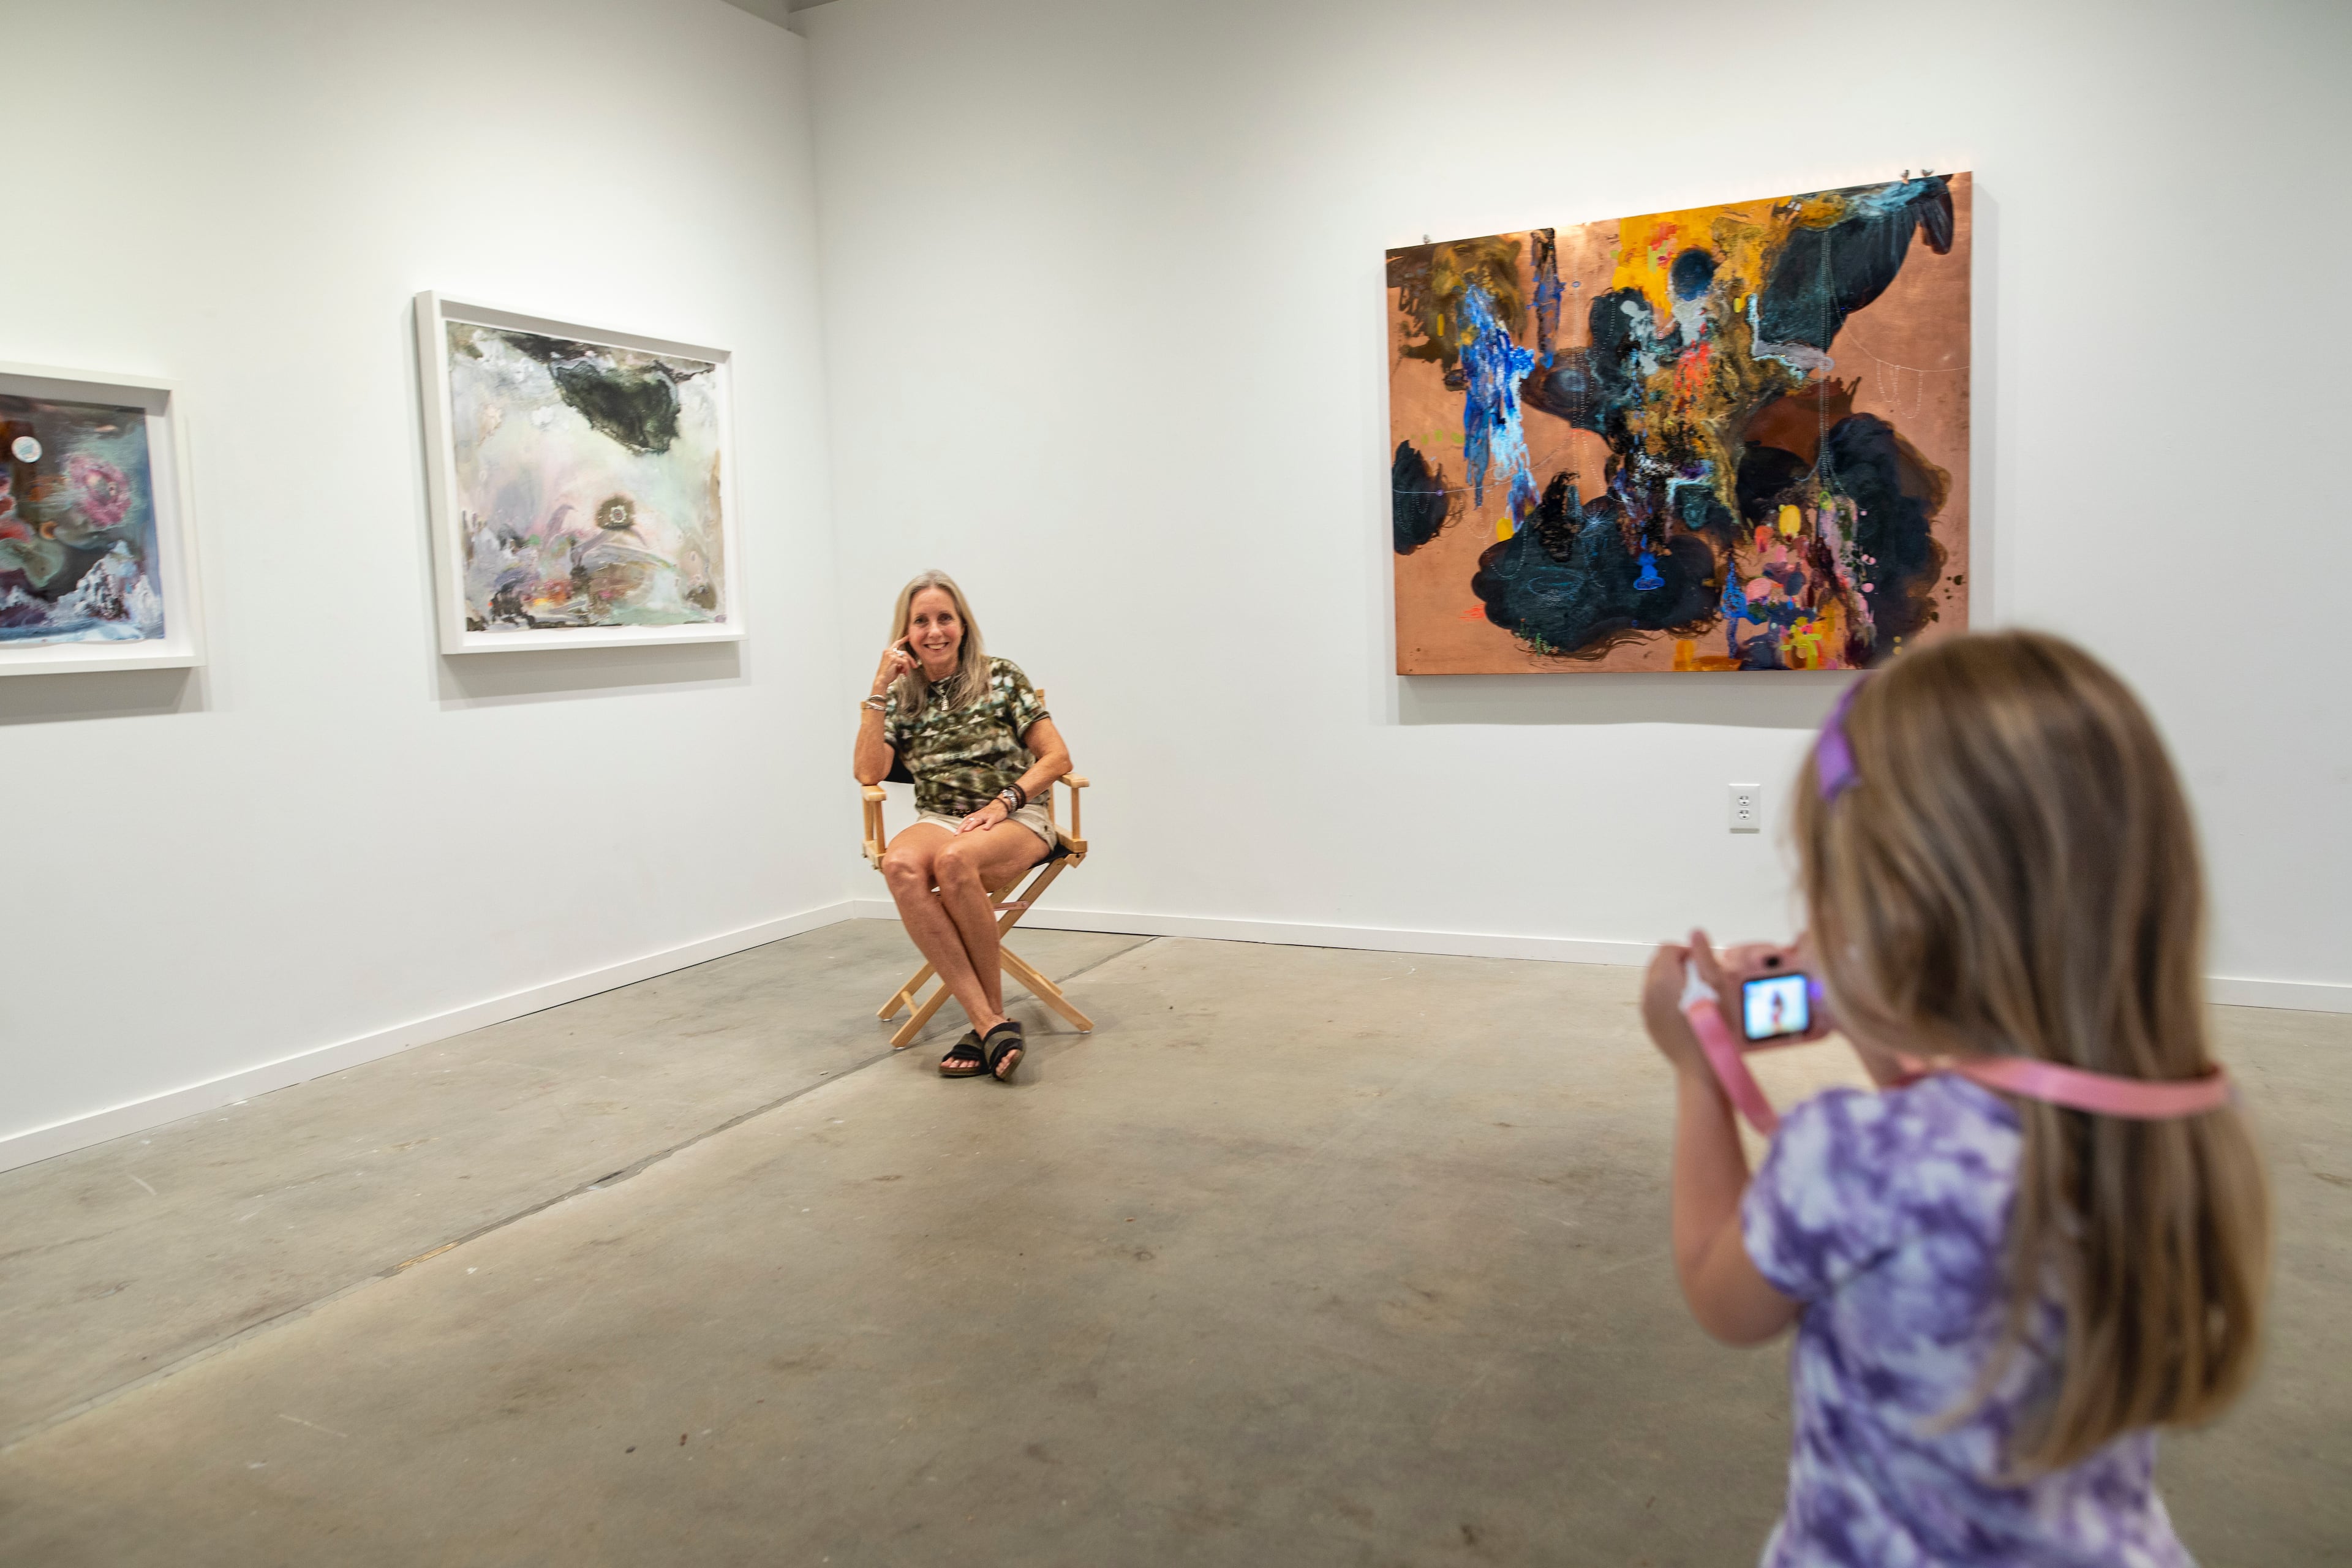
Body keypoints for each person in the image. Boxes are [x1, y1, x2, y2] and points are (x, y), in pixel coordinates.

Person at [1638, 630, 2271, 1566]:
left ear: (1901, 919)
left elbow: (1722, 1294)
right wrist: (1864, 1013)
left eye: (1826, 893)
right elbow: (1976, 1102)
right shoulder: (2176, 1126)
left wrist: (1699, 1068)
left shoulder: (1852, 1155)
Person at [853, 570, 1071, 1082]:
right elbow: (868, 772)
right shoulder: (903, 697)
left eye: (945, 619)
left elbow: (1057, 756)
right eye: (921, 622)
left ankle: (986, 1022)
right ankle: (991, 1023)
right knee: (902, 865)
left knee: (955, 862)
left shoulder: (1001, 677)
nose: (935, 632)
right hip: (941, 817)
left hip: (1016, 816)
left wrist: (1006, 800)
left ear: (963, 625)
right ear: (904, 634)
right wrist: (879, 687)